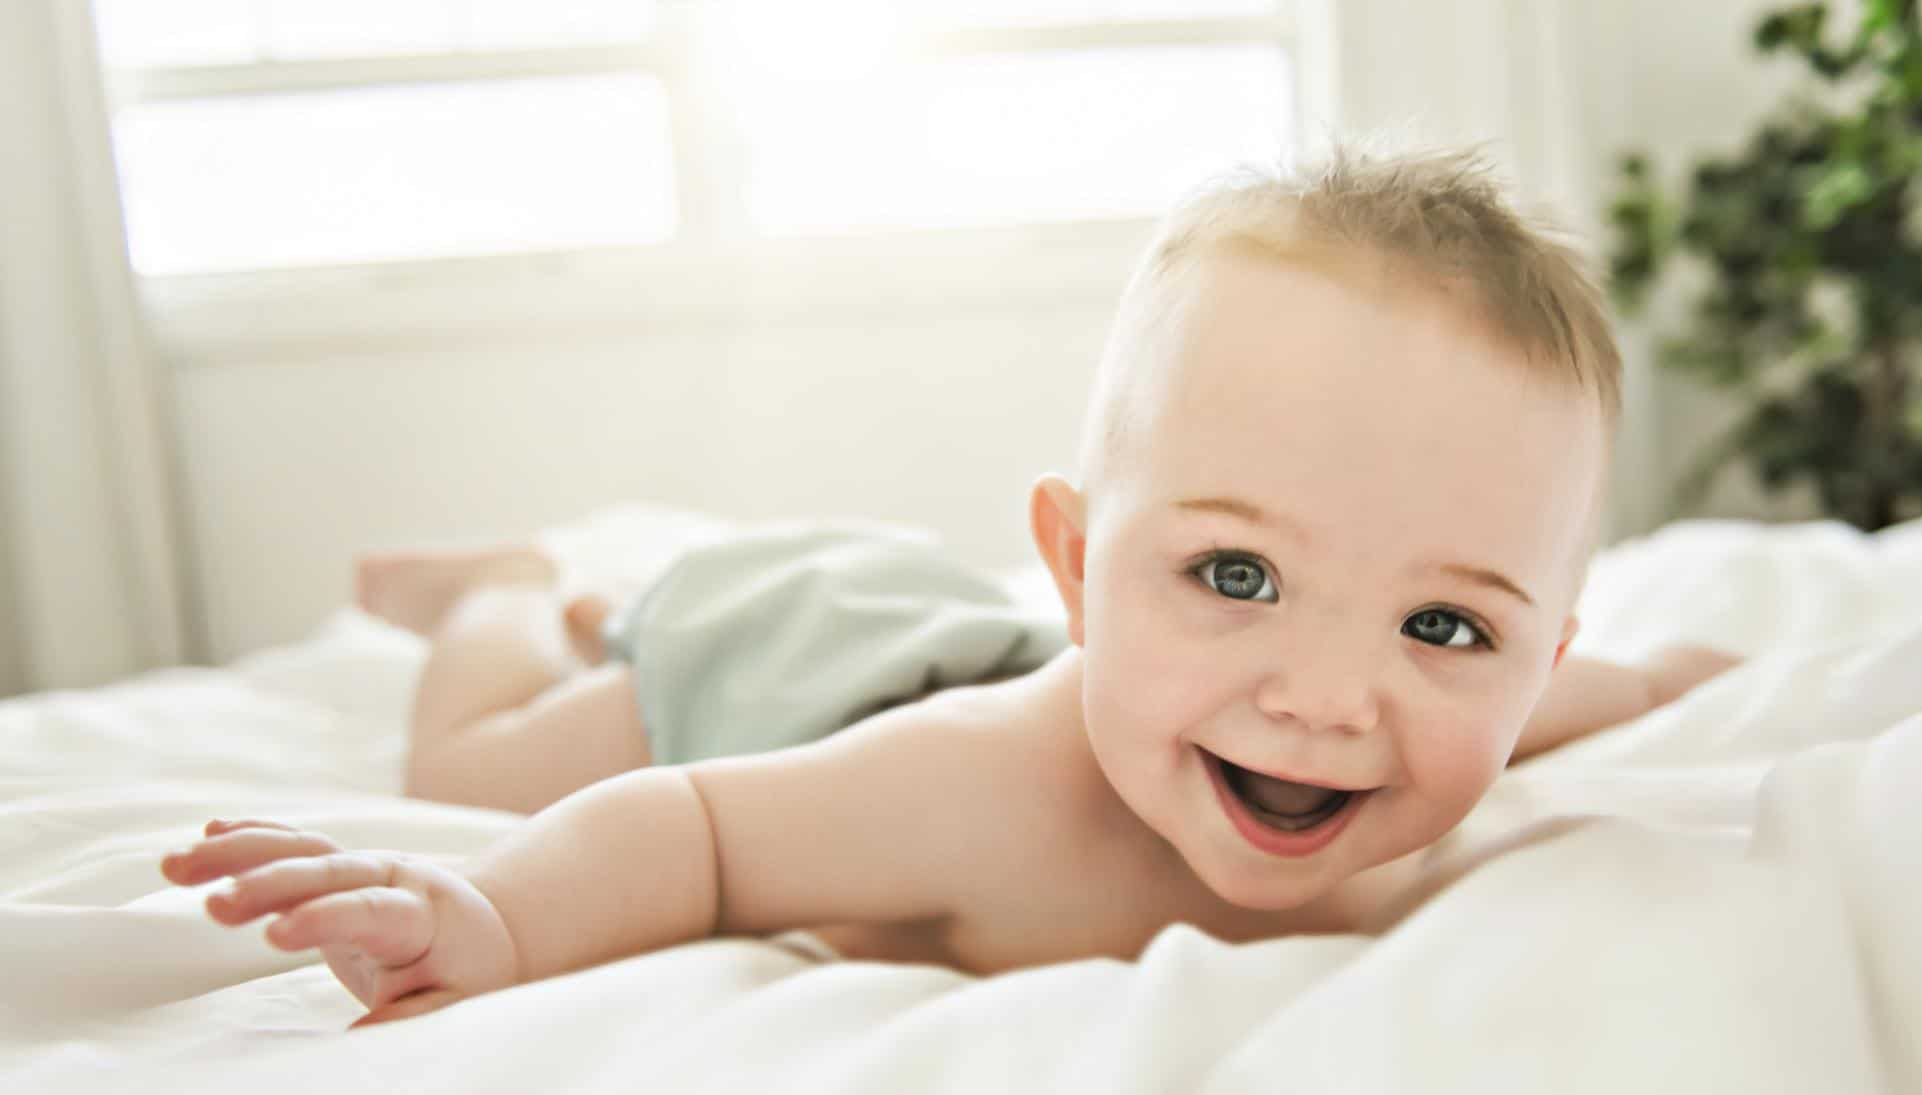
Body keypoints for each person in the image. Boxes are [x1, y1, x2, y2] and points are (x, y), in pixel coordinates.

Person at [162, 141, 1738, 1028]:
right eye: (1235, 572)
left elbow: (1621, 685)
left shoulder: (1479, 721)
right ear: (1075, 562)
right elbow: (695, 831)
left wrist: (1693, 680)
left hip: (933, 616)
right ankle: (516, 593)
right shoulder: (976, 790)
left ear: (1535, 661)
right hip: (776, 656)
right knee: (470, 762)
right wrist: (490, 917)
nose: (1328, 697)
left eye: (1444, 624)